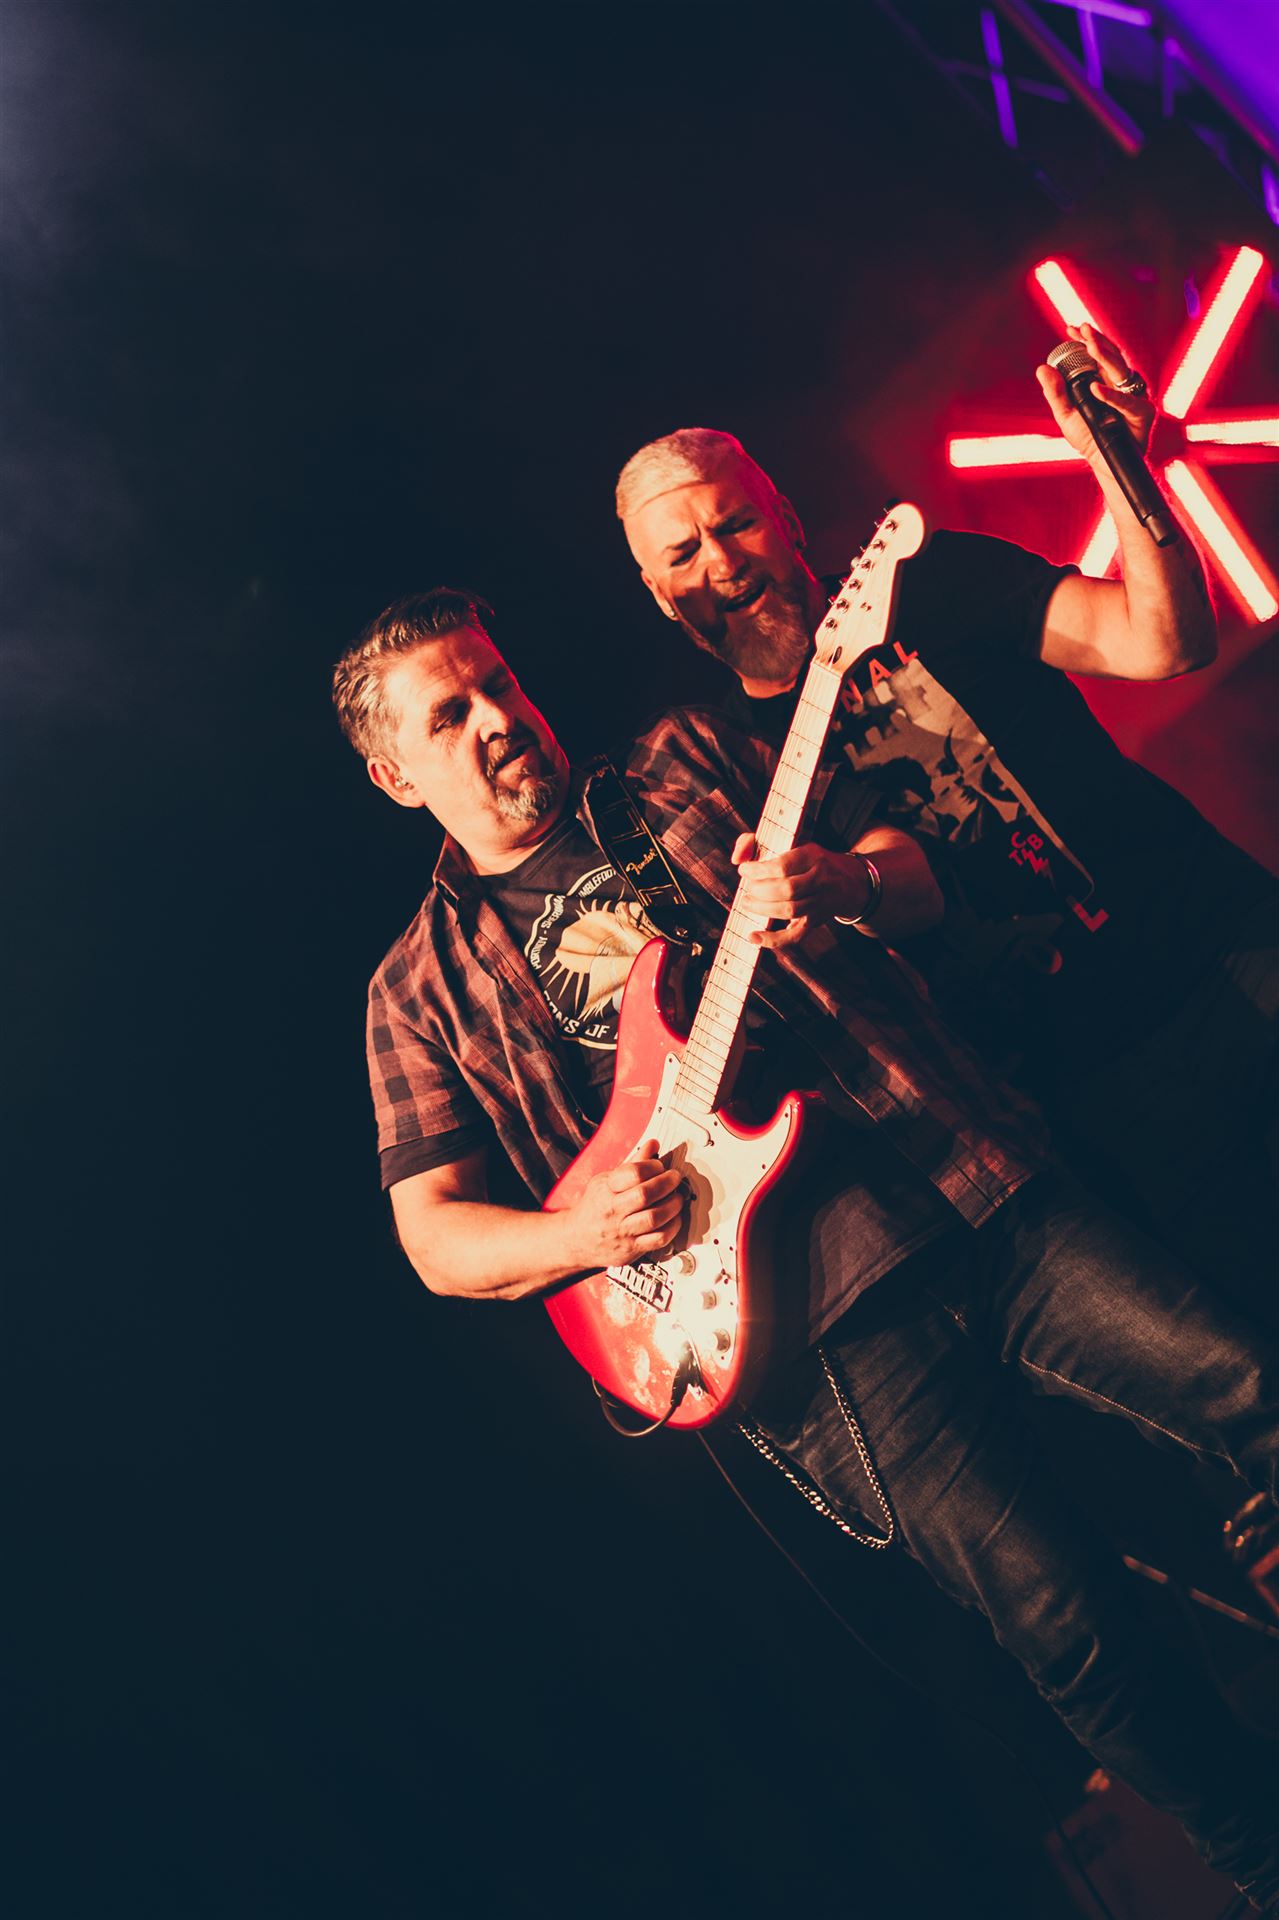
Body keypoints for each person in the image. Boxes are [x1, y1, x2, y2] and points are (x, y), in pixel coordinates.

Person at [334, 586, 1279, 1909]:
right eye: (449, 713)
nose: (496, 717)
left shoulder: (679, 766)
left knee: (1250, 1382)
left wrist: (852, 882)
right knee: (1066, 1624)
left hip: (962, 1183)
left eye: (496, 681)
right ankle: (1258, 1856)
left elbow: (918, 858)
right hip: (808, 1344)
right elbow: (433, 1236)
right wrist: (578, 1230)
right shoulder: (416, 989)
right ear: (394, 775)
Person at [614, 327, 1279, 1310]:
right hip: (1087, 1078)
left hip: (1223, 940)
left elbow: (1163, 641)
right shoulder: (732, 766)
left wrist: (1117, 463)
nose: (720, 561)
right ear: (661, 596)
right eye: (683, 553)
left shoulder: (927, 581)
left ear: (783, 517)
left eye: (735, 523)